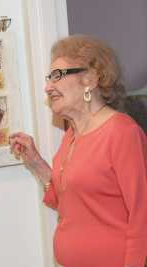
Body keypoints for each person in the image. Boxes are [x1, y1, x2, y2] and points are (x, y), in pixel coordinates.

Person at [9, 35, 147, 267]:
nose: (48, 86)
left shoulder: (122, 132)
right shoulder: (72, 135)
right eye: (49, 78)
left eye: (57, 76)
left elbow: (142, 215)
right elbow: (67, 203)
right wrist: (35, 162)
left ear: (90, 79)